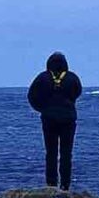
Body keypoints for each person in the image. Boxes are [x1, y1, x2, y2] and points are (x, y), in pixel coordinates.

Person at [28, 50, 82, 188]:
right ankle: (65, 185)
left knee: (51, 152)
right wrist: (68, 104)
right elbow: (78, 92)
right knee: (66, 153)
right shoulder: (72, 77)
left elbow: (31, 96)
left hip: (49, 119)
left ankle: (51, 184)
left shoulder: (42, 78)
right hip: (68, 119)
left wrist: (42, 109)